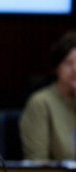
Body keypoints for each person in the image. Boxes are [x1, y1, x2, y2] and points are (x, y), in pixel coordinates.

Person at [20, 31, 76, 160]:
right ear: (57, 67)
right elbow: (37, 162)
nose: (75, 69)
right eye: (68, 63)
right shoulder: (40, 103)